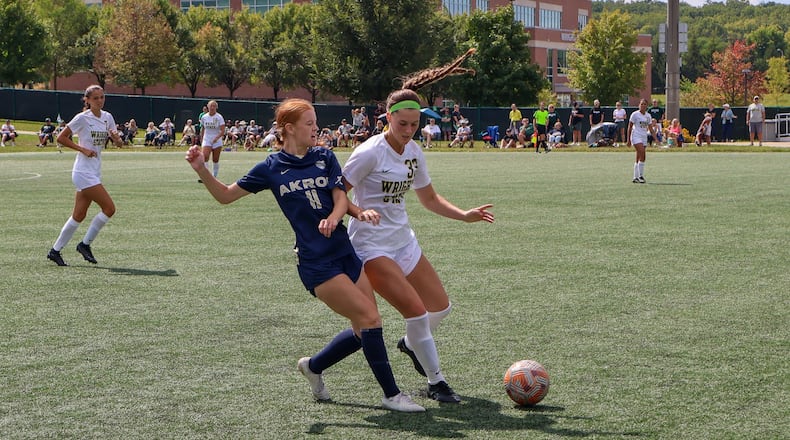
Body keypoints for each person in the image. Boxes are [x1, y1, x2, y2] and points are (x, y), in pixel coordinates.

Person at [184, 98, 424, 413]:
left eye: (315, 122)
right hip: (316, 263)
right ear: (289, 128)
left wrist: (341, 216)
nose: (315, 128)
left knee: (361, 329)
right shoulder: (270, 168)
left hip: (345, 253)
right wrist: (202, 168)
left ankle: (313, 366)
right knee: (370, 319)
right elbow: (226, 196)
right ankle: (392, 395)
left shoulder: (324, 156)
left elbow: (340, 197)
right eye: (309, 123)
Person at [342, 48, 494, 404]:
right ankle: (437, 382)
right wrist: (356, 212)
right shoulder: (369, 152)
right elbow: (337, 194)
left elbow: (429, 199)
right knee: (418, 312)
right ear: (387, 119)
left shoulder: (414, 152)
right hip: (371, 245)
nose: (409, 131)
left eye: (415, 124)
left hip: (403, 240)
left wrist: (465, 214)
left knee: (440, 308)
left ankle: (411, 345)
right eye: (402, 124)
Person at [47, 85, 123, 266]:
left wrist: (117, 138)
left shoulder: (107, 117)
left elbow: (119, 143)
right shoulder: (82, 118)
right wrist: (82, 149)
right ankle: (84, 244)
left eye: (102, 97)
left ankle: (55, 251)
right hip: (82, 171)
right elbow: (61, 138)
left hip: (95, 171)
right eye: (95, 98)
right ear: (87, 100)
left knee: (78, 215)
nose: (99, 100)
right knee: (109, 208)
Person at [627, 98, 657, 184]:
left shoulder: (648, 116)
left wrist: (656, 139)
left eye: (644, 104)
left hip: (644, 137)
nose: (643, 106)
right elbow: (629, 126)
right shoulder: (635, 114)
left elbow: (651, 129)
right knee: (642, 153)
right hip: (636, 136)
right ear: (639, 105)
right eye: (641, 104)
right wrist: (628, 139)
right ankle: (641, 176)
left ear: (647, 106)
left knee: (639, 157)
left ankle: (635, 177)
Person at [199, 100, 226, 180]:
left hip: (217, 139)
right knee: (205, 156)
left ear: (216, 107)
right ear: (208, 107)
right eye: (211, 106)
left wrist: (217, 138)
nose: (212, 107)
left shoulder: (219, 117)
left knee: (215, 159)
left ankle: (214, 176)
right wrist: (202, 138)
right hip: (207, 138)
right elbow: (203, 129)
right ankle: (206, 176)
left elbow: (222, 130)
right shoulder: (204, 117)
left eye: (214, 106)